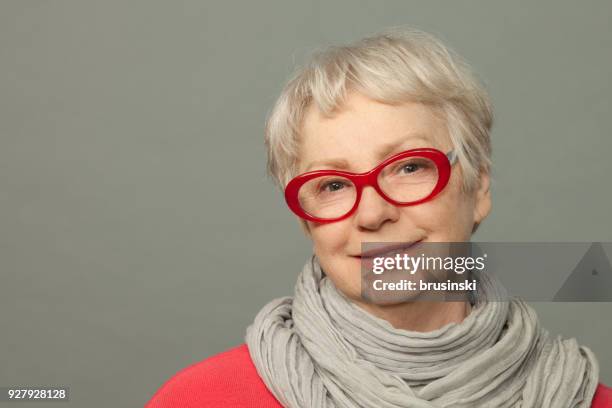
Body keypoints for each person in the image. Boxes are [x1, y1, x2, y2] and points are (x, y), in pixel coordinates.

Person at [145, 27, 611, 407]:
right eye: (331, 184)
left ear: (479, 187)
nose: (372, 213)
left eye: (409, 167)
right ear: (308, 220)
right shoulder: (197, 399)